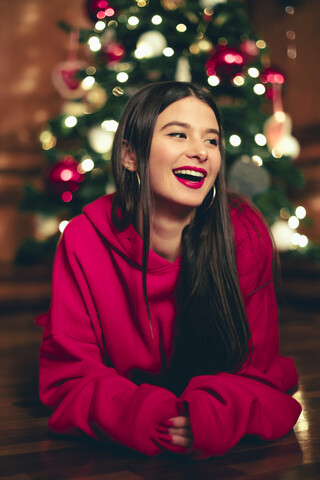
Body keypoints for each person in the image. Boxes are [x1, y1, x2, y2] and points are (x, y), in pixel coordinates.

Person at [38, 81, 301, 459]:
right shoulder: (84, 238)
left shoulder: (242, 230)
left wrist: (210, 416)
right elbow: (70, 377)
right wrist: (148, 416)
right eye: (179, 134)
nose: (200, 152)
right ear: (130, 155)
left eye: (212, 141)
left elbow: (258, 371)